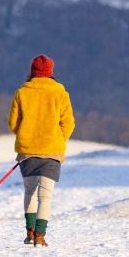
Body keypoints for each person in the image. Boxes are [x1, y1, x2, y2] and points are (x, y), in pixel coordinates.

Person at [8, 54, 75, 247]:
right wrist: (58, 138)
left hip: (27, 151)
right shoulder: (60, 93)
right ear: (50, 72)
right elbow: (69, 123)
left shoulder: (22, 92)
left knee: (30, 191)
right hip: (52, 151)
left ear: (32, 71)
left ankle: (29, 232)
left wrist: (25, 134)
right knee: (45, 196)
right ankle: (40, 236)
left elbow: (13, 123)